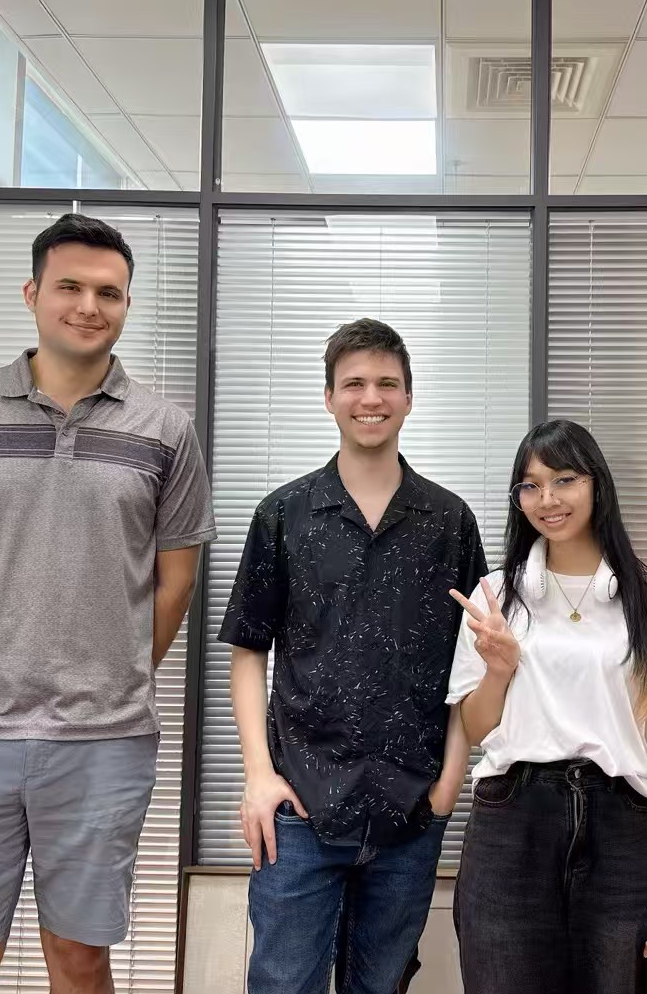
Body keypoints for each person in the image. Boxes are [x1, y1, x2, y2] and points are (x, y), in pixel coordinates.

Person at [0, 213, 216, 994]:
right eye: (70, 286)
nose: (88, 306)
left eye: (109, 292)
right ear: (33, 294)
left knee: (79, 956)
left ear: (127, 305)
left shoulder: (166, 429)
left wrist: (114, 672)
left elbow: (175, 582)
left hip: (102, 742)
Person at [220, 318, 485, 994]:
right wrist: (258, 775)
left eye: (387, 384)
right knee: (283, 983)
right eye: (354, 384)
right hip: (299, 808)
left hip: (410, 809)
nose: (371, 398)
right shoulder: (283, 514)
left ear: (409, 397)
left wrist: (449, 783)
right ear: (329, 398)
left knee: (382, 984)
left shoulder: (450, 522)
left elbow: (472, 665)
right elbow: (248, 651)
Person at [448, 419, 647, 994]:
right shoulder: (496, 598)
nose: (547, 499)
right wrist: (499, 670)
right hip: (513, 823)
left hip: (626, 830)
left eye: (564, 480)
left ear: (597, 484)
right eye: (530, 486)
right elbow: (476, 727)